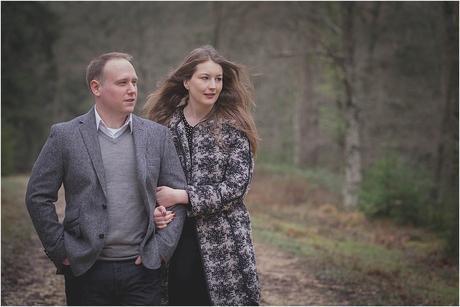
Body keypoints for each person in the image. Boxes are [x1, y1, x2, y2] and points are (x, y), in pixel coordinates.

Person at [25, 52, 187, 305]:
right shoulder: (65, 136)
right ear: (96, 87)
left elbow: (177, 195)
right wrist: (61, 250)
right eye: (122, 83)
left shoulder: (157, 136)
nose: (132, 89)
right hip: (86, 269)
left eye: (134, 82)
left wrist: (161, 251)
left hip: (143, 270)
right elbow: (38, 196)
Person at [144, 45, 260, 305]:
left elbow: (237, 187)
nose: (213, 86)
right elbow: (149, 179)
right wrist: (155, 210)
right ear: (187, 81)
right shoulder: (164, 126)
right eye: (205, 78)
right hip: (174, 234)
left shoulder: (234, 127)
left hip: (224, 239)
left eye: (218, 79)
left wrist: (183, 195)